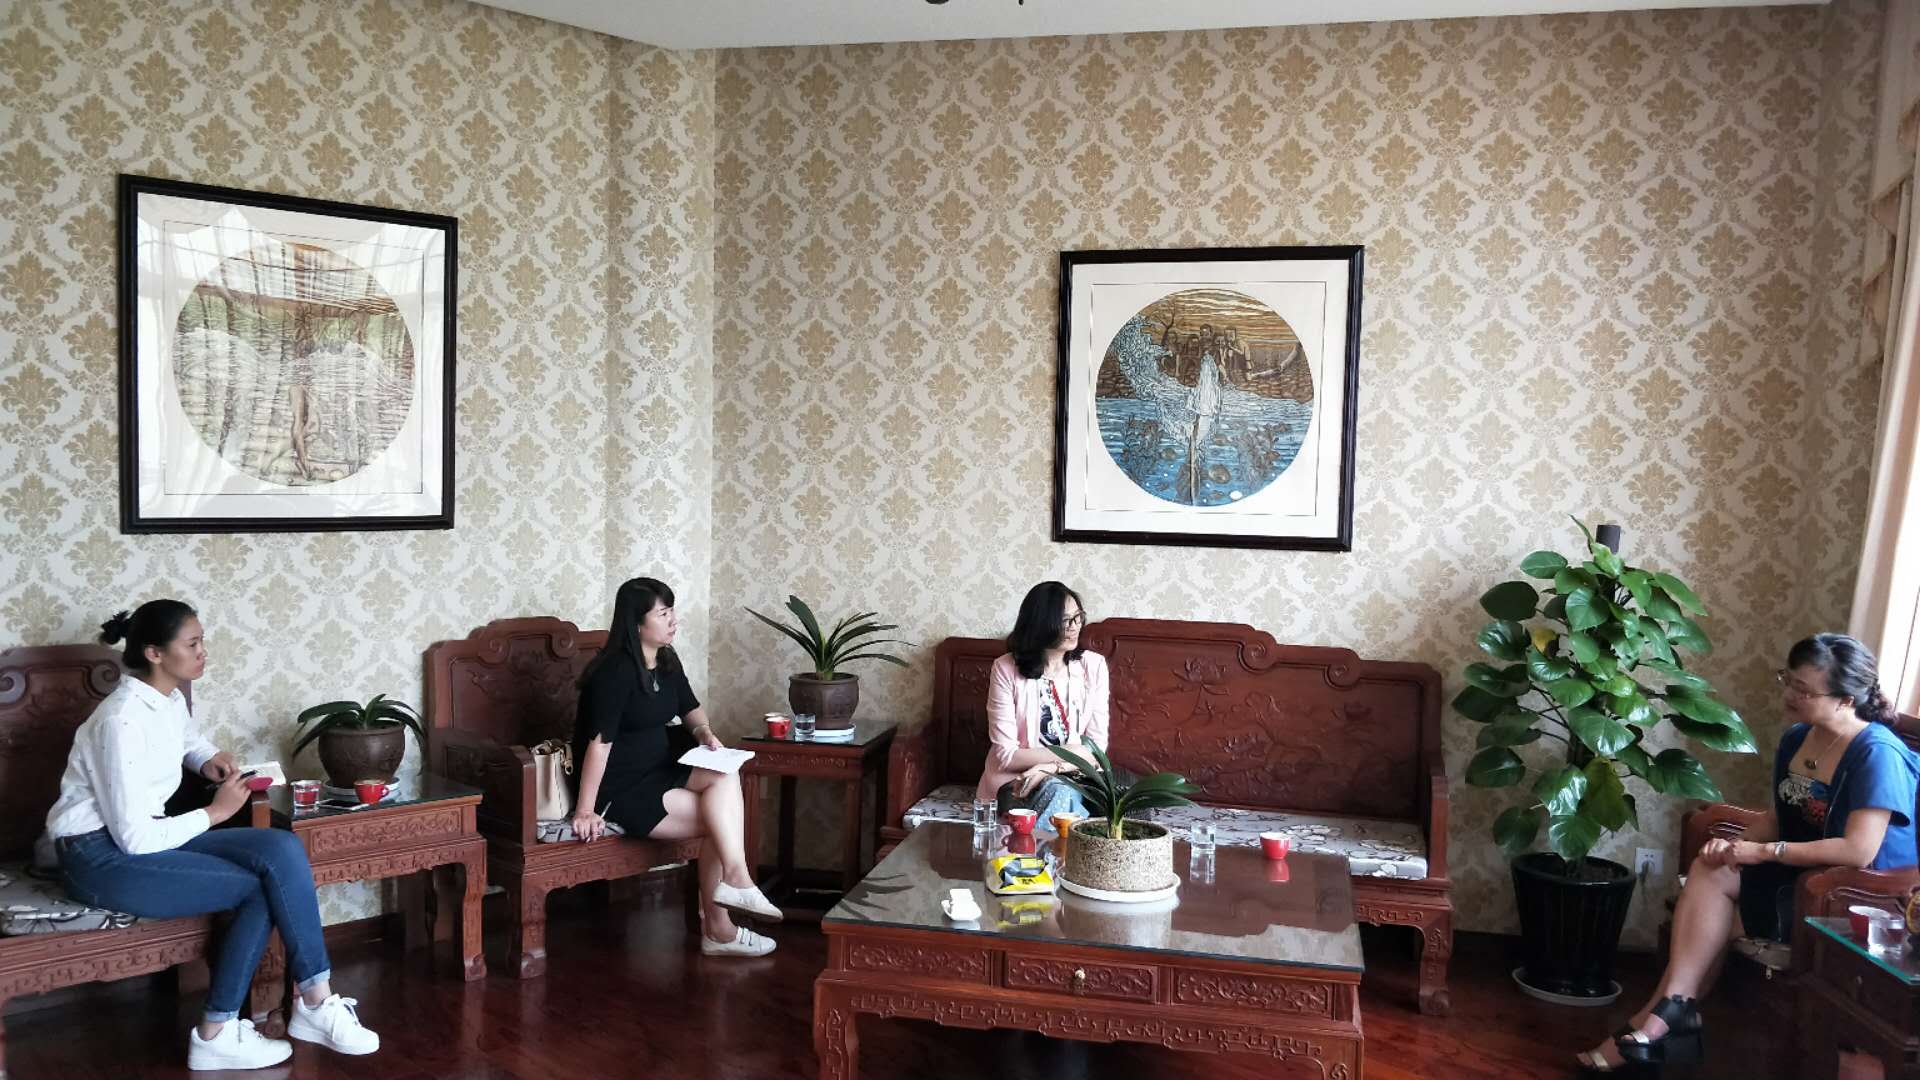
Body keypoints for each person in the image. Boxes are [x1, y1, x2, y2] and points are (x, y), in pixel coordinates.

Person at [46, 600, 379, 1071]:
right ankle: (215, 1033)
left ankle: (316, 1000)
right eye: (192, 644)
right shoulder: (119, 721)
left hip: (145, 836)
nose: (204, 652)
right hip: (98, 856)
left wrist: (207, 759)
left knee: (281, 847)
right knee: (258, 888)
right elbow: (134, 839)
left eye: (202, 641)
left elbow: (186, 740)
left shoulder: (166, 698)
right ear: (155, 653)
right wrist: (216, 812)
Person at [1577, 633, 1919, 1075]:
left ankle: (1659, 1022)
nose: (1789, 694)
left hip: (1850, 898)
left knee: (1709, 919)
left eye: (1804, 690)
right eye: (1787, 681)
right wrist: (1735, 847)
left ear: (1846, 699)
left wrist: (1763, 852)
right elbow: (1778, 818)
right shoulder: (1799, 738)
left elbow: (1859, 850)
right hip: (1798, 874)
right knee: (1712, 867)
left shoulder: (1877, 753)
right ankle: (1671, 1012)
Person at [567, 576, 781, 957]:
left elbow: (690, 707)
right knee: (720, 822)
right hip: (623, 787)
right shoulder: (615, 672)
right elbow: (598, 745)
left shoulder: (665, 660)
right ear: (636, 624)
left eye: (672, 611)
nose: (673, 621)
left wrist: (704, 733)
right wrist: (585, 809)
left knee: (725, 773)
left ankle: (734, 885)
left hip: (662, 768)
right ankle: (721, 927)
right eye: (663, 614)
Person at [977, 582, 1112, 820]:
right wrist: (1072, 752)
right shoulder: (1006, 669)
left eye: (1078, 617)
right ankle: (1065, 840)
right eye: (1064, 620)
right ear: (1039, 623)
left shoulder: (1094, 666)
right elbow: (1007, 756)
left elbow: (1097, 750)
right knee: (1060, 793)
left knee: (1064, 790)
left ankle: (1034, 844)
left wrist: (1050, 768)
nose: (1074, 627)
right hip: (1017, 782)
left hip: (1076, 777)